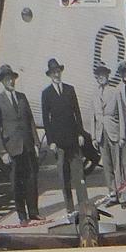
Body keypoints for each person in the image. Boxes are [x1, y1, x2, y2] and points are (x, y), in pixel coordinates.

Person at [0, 64, 40, 224]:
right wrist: (3, 152)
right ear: (2, 81)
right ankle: (22, 216)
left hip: (27, 146)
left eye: (12, 78)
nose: (10, 81)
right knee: (17, 184)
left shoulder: (22, 97)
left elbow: (30, 120)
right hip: (12, 149)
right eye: (7, 79)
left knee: (31, 180)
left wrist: (37, 143)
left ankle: (33, 212)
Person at [39, 57, 87, 219]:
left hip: (73, 139)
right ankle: (70, 209)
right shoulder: (46, 94)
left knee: (78, 174)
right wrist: (51, 141)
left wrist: (80, 133)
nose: (56, 74)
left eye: (58, 71)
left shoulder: (70, 90)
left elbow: (77, 113)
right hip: (58, 143)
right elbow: (46, 119)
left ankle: (84, 206)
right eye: (53, 72)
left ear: (61, 72)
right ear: (50, 75)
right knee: (64, 176)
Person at [93, 61, 126, 205]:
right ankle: (112, 194)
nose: (101, 77)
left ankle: (122, 194)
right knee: (107, 166)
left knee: (117, 165)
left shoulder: (115, 92)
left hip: (114, 133)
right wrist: (93, 137)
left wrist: (122, 136)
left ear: (107, 75)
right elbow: (93, 117)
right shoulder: (94, 94)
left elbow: (121, 115)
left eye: (103, 74)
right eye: (98, 75)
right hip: (101, 135)